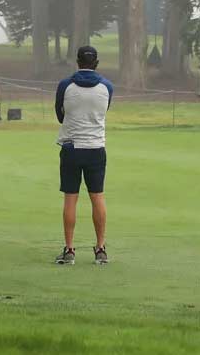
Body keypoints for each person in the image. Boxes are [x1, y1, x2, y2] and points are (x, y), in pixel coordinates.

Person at [53, 45, 114, 265]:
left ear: (77, 62)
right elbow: (104, 110)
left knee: (71, 198)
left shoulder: (65, 85)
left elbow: (60, 115)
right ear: (96, 63)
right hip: (96, 148)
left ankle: (69, 250)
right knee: (97, 196)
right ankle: (100, 248)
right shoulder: (107, 86)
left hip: (71, 147)